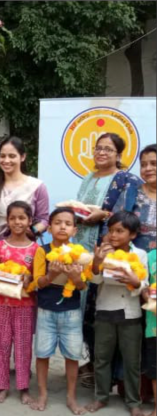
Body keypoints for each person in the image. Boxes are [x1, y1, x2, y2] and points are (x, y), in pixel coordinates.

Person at [75, 133, 144, 385]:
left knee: (101, 309)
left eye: (108, 149)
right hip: (83, 248)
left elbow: (127, 217)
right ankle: (91, 363)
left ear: (119, 155)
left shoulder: (127, 179)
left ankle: (112, 373)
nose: (101, 153)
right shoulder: (89, 177)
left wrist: (102, 215)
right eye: (98, 148)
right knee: (84, 309)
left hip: (108, 248)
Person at [86, 211, 149, 416]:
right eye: (111, 230)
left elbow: (144, 284)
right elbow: (94, 280)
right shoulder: (103, 251)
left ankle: (134, 403)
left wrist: (135, 281)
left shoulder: (140, 254)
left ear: (132, 234)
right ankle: (101, 397)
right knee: (101, 358)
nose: (113, 235)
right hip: (105, 311)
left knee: (132, 361)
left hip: (130, 314)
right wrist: (97, 262)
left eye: (119, 231)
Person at [30, 207, 87, 415]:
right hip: (46, 310)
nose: (62, 227)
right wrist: (51, 275)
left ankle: (71, 396)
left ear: (74, 230)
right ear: (49, 228)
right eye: (57, 223)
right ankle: (42, 394)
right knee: (42, 353)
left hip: (71, 311)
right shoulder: (42, 251)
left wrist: (76, 278)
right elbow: (38, 282)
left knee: (72, 355)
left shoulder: (79, 253)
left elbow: (82, 286)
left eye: (68, 224)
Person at [0, 201, 38, 405]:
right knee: (0, 345)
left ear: (30, 221)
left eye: (22, 218)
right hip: (1, 302)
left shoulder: (35, 249)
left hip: (25, 304)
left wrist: (29, 280)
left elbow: (38, 279)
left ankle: (24, 388)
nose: (17, 222)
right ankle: (1, 386)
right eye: (13, 218)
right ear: (7, 221)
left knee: (23, 347)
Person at [0, 136, 49, 240]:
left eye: (12, 156)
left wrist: (31, 231)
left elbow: (44, 220)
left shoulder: (36, 186)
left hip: (24, 245)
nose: (6, 160)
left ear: (22, 157)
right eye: (2, 156)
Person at [110, 144, 156, 252]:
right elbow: (113, 227)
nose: (148, 168)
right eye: (143, 165)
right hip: (133, 259)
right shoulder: (130, 194)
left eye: (154, 163)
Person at [143, 248, 156, 416]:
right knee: (155, 369)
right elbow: (144, 285)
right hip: (154, 324)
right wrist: (146, 296)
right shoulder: (151, 256)